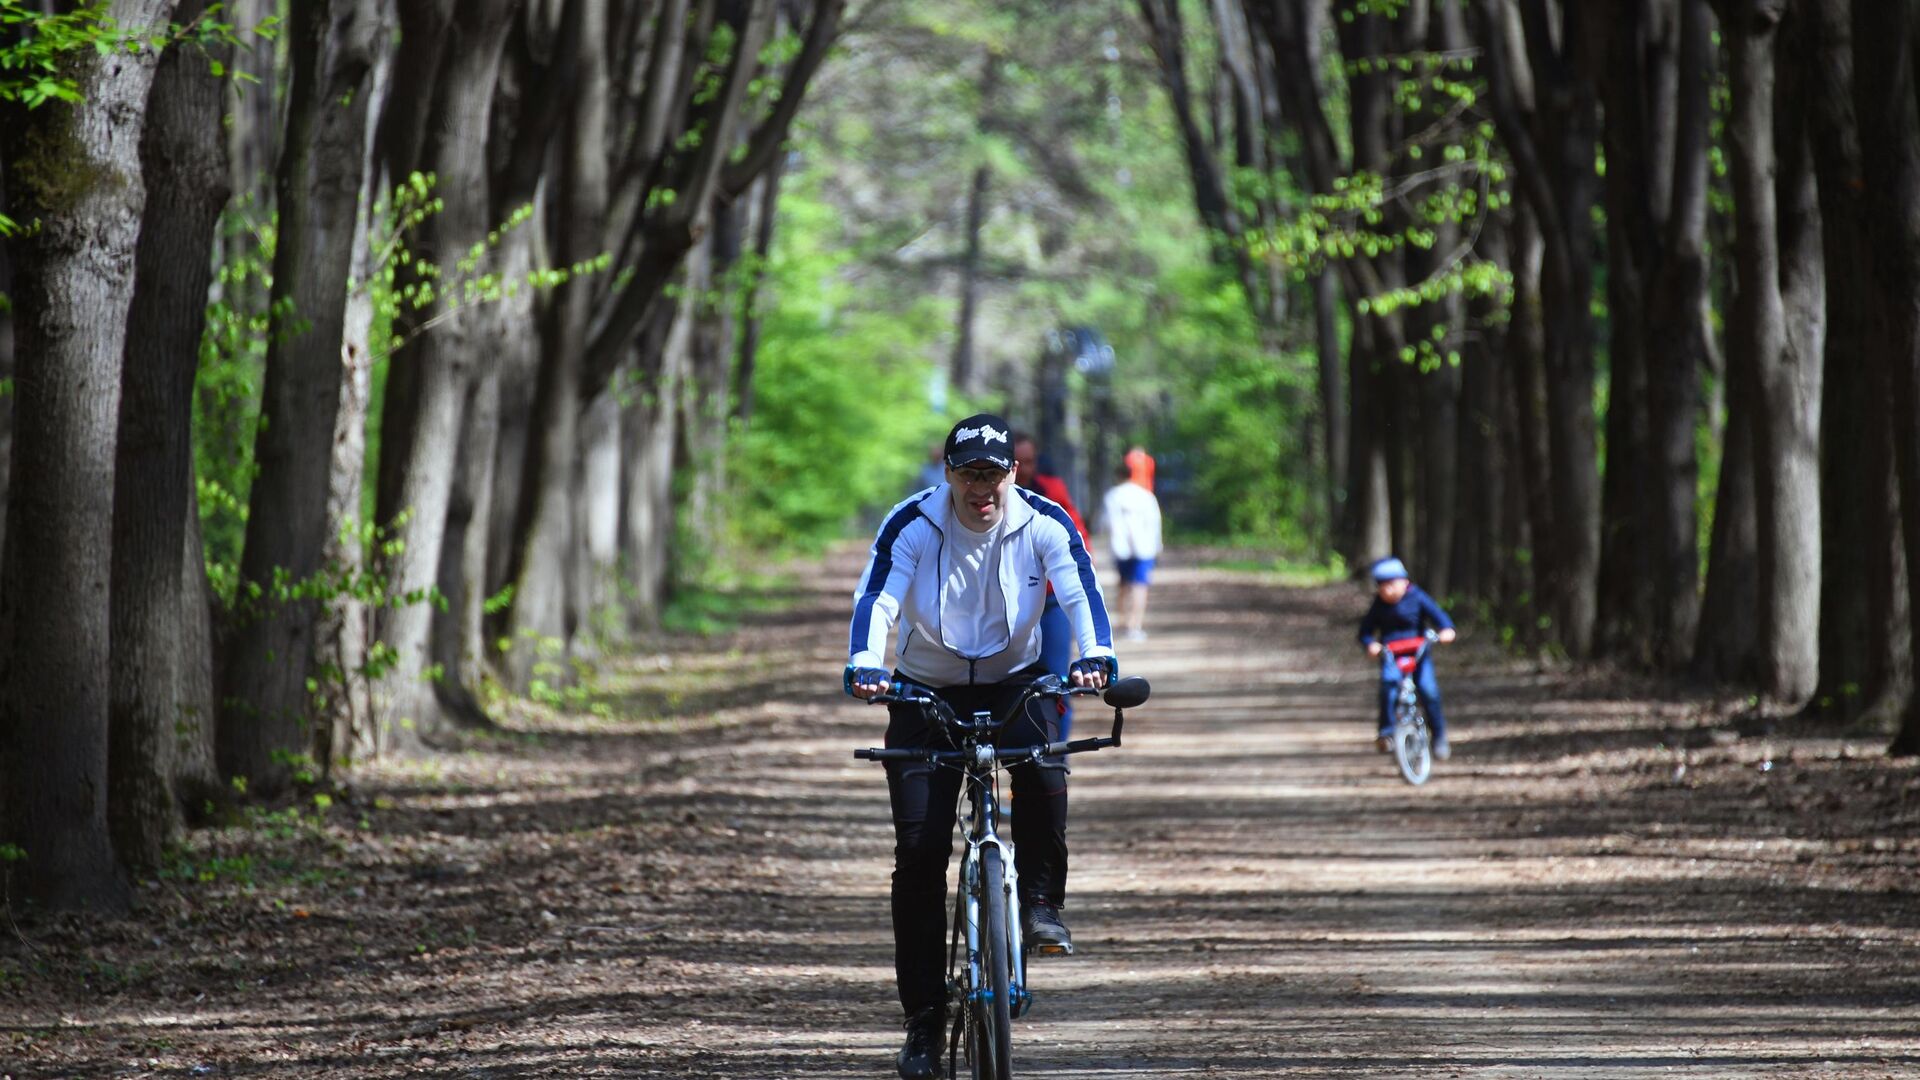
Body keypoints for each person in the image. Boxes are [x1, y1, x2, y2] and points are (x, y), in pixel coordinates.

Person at [847, 412, 1117, 1080]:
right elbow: (878, 594)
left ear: (1011, 474)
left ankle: (1040, 907)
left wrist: (1098, 655)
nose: (981, 489)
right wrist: (864, 661)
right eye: (969, 474)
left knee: (1046, 769)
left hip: (1013, 681)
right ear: (950, 474)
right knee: (918, 854)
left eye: (992, 474)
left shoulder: (1044, 522)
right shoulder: (913, 522)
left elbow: (1080, 590)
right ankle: (923, 1019)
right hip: (923, 689)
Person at [1013, 431, 1088, 738]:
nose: (1024, 470)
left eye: (1030, 461)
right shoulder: (984, 501)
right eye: (1018, 463)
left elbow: (1078, 539)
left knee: (1057, 682)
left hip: (1051, 602)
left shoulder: (1051, 491)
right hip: (1006, 607)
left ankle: (1055, 756)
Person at [1357, 556, 1457, 758]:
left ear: (1404, 581)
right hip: (1391, 655)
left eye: (1391, 584)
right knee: (1389, 687)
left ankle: (1438, 735)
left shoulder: (1418, 597)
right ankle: (1386, 734)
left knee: (1428, 690)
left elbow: (1442, 620)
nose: (1387, 590)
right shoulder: (1378, 606)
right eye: (1381, 586)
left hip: (1418, 654)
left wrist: (1446, 632)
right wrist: (1371, 645)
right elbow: (1365, 632)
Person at [1102, 461, 1162, 641]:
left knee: (1123, 584)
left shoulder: (1113, 496)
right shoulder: (1146, 496)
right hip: (1144, 547)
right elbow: (1155, 522)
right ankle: (1136, 625)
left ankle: (1123, 621)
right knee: (1140, 586)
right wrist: (1157, 545)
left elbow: (1107, 522)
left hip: (1121, 547)